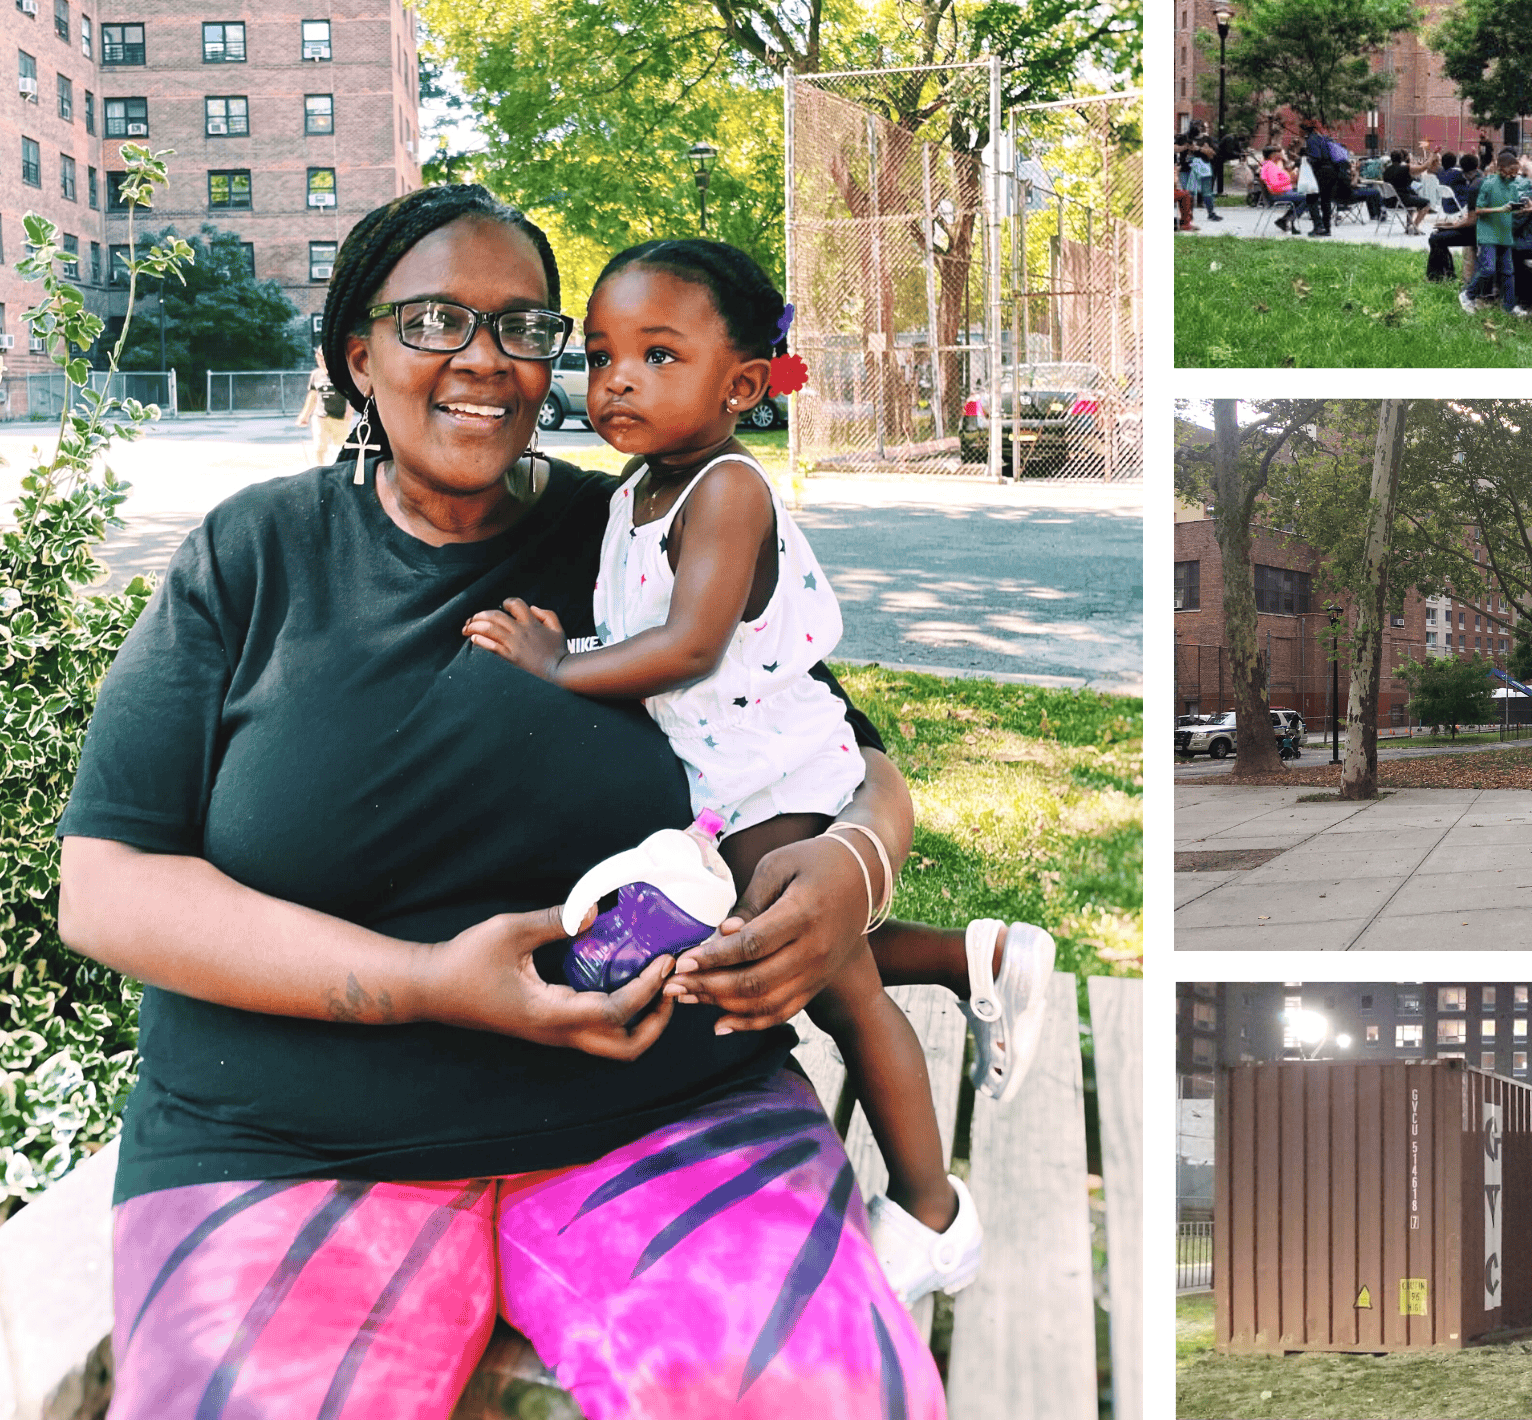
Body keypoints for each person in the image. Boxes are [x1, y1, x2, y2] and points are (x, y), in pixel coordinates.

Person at [56, 184, 1038, 1417]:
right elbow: (106, 888)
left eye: (523, 326)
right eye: (431, 322)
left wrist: (852, 871)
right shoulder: (248, 558)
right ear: (358, 354)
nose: (482, 358)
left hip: (665, 1114)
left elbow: (840, 751)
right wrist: (423, 982)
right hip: (288, 1141)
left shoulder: (643, 522)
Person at [464, 237, 1058, 1302]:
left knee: (840, 991)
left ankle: (931, 1213)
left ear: (740, 386)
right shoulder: (641, 489)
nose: (617, 381)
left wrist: (557, 665)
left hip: (771, 774)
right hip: (727, 773)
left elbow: (689, 646)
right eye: (600, 357)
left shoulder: (726, 489)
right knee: (814, 949)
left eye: (656, 355)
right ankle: (983, 958)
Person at [1460, 146, 1531, 317]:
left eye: (1517, 171)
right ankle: (1468, 295)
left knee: (1508, 272)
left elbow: (1510, 208)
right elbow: (1478, 210)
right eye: (1511, 171)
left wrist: (1519, 208)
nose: (1514, 175)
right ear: (1501, 168)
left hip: (1504, 233)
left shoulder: (1513, 187)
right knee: (1488, 269)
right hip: (1488, 233)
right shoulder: (1489, 184)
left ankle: (1509, 306)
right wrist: (1500, 209)